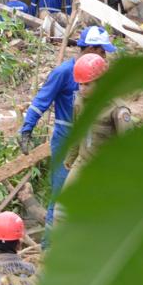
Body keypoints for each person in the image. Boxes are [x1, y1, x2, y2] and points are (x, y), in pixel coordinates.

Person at [18, 26, 116, 229]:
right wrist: (27, 129)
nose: (104, 56)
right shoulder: (64, 73)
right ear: (90, 49)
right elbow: (41, 101)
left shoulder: (101, 75)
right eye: (101, 51)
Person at [63, 53, 130, 182]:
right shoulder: (79, 103)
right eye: (80, 84)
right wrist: (71, 157)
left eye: (87, 84)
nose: (82, 89)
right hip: (82, 162)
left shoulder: (117, 109)